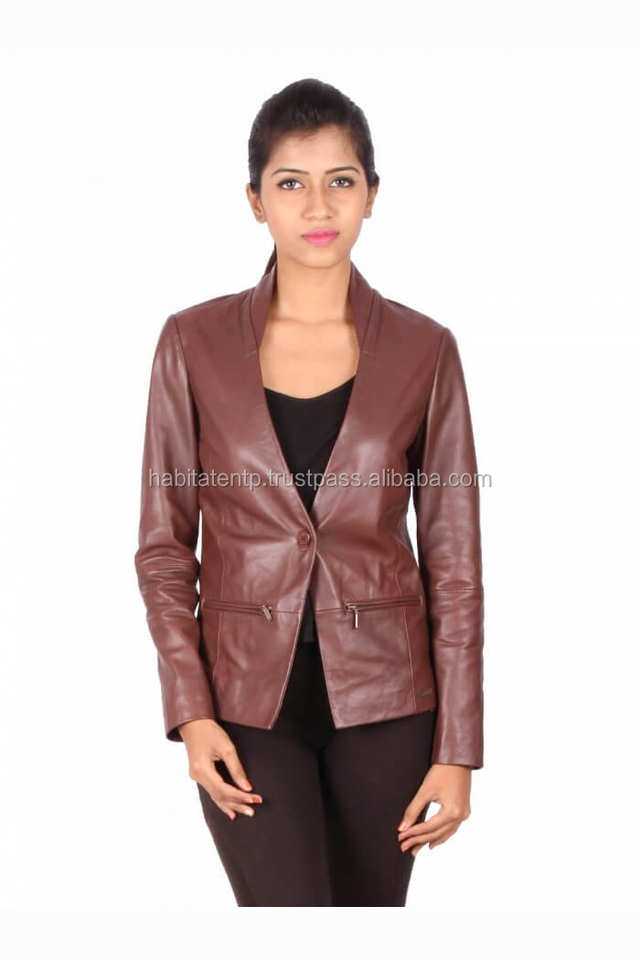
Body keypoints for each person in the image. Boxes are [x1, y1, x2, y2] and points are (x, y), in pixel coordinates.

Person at [134, 78, 484, 907]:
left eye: (341, 180)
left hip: (390, 704)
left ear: (372, 195)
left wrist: (458, 747)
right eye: (290, 182)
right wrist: (191, 711)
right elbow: (163, 548)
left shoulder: (425, 349)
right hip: (243, 704)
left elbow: (455, 562)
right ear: (255, 201)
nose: (318, 205)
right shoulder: (192, 343)